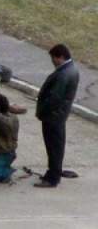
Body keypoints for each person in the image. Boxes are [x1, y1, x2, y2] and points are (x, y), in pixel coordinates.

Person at [35, 44, 79, 188]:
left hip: (53, 116)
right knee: (56, 146)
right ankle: (53, 172)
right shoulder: (69, 70)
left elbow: (55, 97)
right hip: (58, 116)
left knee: (54, 147)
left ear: (60, 57)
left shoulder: (64, 74)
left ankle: (53, 177)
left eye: (53, 59)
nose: (53, 62)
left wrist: (42, 110)